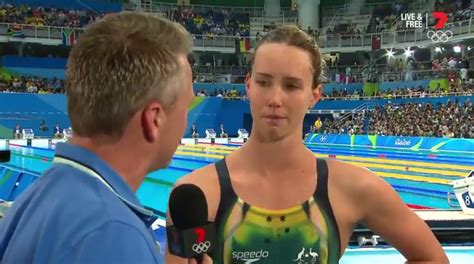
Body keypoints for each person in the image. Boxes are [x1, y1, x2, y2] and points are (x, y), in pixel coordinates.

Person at [167, 25, 448, 263]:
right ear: (249, 85)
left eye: (291, 86)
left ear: (314, 95)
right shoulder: (198, 196)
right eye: (264, 82)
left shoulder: (353, 187)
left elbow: (432, 258)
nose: (275, 98)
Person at [0, 12, 211, 264]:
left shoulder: (36, 198)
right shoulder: (113, 233)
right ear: (154, 118)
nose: (186, 121)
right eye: (185, 107)